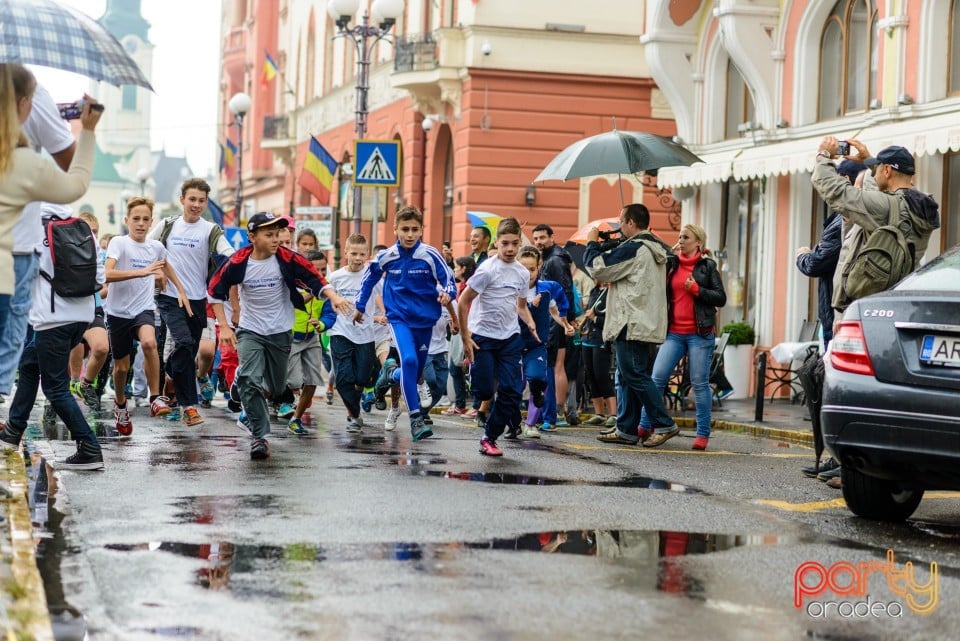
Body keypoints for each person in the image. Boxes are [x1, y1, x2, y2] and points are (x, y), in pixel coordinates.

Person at [209, 213, 347, 460]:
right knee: (251, 380)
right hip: (251, 330)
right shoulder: (239, 262)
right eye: (269, 235)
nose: (276, 240)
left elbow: (315, 278)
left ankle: (248, 384)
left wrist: (334, 298)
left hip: (281, 331)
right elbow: (214, 292)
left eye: (278, 235)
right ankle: (259, 437)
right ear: (252, 237)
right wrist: (225, 326)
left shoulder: (287, 258)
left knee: (276, 386)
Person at [0, 80, 76, 404]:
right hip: (16, 246)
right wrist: (86, 127)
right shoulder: (30, 90)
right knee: (12, 337)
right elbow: (71, 167)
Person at [813, 138, 940, 327]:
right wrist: (869, 161)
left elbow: (837, 191)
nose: (875, 173)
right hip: (893, 301)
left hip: (865, 306)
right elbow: (888, 190)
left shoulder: (886, 207)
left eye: (878, 168)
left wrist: (823, 156)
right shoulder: (920, 205)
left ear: (887, 171)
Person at [356, 206, 457, 441]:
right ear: (395, 229)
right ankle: (415, 419)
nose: (410, 234)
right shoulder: (387, 256)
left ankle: (389, 375)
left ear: (422, 229)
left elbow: (448, 280)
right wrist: (360, 306)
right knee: (410, 360)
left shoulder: (430, 255)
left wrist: (448, 294)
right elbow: (369, 277)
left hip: (425, 320)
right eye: (405, 229)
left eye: (414, 229)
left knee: (414, 370)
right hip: (398, 318)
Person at [584, 204, 679, 448]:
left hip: (631, 321)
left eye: (620, 221)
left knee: (634, 374)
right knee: (626, 376)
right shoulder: (652, 246)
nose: (617, 226)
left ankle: (664, 423)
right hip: (642, 321)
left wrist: (592, 243)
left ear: (631, 223)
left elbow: (598, 268)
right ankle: (626, 429)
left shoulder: (636, 248)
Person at [148, 178, 235, 427]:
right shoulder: (168, 225)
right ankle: (189, 406)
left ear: (206, 202)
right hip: (169, 297)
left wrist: (242, 263)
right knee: (184, 343)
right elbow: (148, 249)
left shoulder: (210, 229)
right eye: (192, 199)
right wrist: (157, 272)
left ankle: (166, 370)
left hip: (198, 300)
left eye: (201, 201)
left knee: (188, 351)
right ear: (182, 200)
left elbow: (228, 254)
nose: (196, 205)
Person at [631, 224, 726, 450]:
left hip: (699, 334)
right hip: (674, 333)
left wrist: (697, 290)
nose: (681, 240)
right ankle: (645, 425)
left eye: (686, 237)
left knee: (699, 384)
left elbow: (720, 298)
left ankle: (702, 434)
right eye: (679, 237)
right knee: (656, 379)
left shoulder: (708, 267)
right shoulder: (671, 264)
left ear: (698, 243)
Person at [104, 197, 191, 436]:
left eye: (145, 220)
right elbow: (107, 274)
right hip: (118, 313)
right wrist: (141, 272)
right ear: (127, 220)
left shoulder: (155, 247)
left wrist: (180, 290)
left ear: (151, 222)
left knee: (150, 343)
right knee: (122, 368)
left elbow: (166, 265)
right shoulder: (119, 243)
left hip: (143, 308)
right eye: (136, 219)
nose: (141, 224)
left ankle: (155, 398)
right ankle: (121, 404)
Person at [458, 217, 539, 456]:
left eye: (515, 243)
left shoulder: (522, 273)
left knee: (512, 391)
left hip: (510, 337)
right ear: (497, 242)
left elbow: (521, 305)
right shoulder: (487, 270)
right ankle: (474, 376)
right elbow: (464, 302)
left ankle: (489, 437)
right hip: (482, 336)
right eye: (505, 243)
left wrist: (530, 322)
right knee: (484, 392)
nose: (510, 249)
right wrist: (465, 337)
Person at [796, 160, 864, 350]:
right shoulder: (849, 216)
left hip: (838, 312)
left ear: (844, 180)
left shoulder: (842, 222)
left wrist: (802, 255)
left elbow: (815, 264)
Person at [516, 246, 573, 439]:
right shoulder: (510, 288)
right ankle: (513, 422)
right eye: (523, 269)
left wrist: (565, 324)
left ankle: (530, 423)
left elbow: (555, 311)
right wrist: (531, 306)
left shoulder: (547, 289)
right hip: (513, 344)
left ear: (539, 267)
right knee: (513, 386)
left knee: (539, 380)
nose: (528, 274)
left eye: (531, 269)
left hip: (536, 345)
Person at [328, 234, 380, 433]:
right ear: (346, 254)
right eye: (354, 253)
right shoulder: (336, 277)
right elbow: (325, 296)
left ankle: (354, 404)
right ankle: (354, 414)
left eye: (362, 254)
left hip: (366, 334)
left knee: (362, 378)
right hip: (340, 331)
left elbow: (387, 295)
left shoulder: (372, 275)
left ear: (367, 254)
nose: (358, 258)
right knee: (343, 378)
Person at [532, 224, 579, 427]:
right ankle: (552, 413)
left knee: (554, 366)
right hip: (554, 319)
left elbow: (564, 291)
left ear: (552, 237)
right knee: (552, 366)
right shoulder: (550, 259)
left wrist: (566, 319)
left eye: (542, 237)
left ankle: (554, 413)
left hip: (556, 320)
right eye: (535, 238)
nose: (538, 242)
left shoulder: (555, 260)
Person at [286, 249, 336, 435]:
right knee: (293, 382)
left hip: (312, 338)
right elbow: (291, 303)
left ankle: (295, 419)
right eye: (316, 270)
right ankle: (255, 407)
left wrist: (322, 324)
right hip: (290, 337)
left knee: (313, 380)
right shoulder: (291, 285)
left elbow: (330, 314)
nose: (321, 274)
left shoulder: (327, 288)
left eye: (324, 270)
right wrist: (311, 291)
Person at [65, 212, 110, 411]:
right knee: (73, 345)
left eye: (94, 232)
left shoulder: (102, 255)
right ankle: (72, 382)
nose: (90, 236)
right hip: (70, 308)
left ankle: (85, 383)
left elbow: (105, 282)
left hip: (94, 307)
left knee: (101, 348)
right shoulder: (65, 250)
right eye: (86, 231)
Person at [580, 283, 617, 429]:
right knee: (591, 376)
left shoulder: (611, 292)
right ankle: (599, 413)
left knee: (601, 375)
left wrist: (595, 318)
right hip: (588, 339)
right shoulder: (594, 291)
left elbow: (611, 320)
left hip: (601, 340)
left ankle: (613, 414)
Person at [443, 256, 476, 416]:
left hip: (468, 330)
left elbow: (469, 309)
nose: (455, 270)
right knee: (455, 367)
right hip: (459, 329)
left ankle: (476, 405)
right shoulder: (461, 285)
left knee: (470, 368)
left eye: (456, 267)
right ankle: (460, 404)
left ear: (463, 268)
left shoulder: (471, 286)